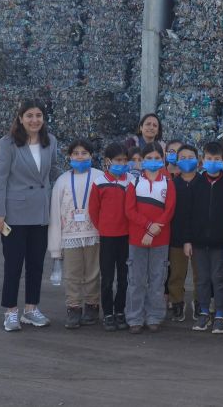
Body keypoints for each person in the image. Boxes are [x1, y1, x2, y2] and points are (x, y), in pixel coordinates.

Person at [0, 99, 59, 332]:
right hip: (15, 214)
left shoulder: (50, 143)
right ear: (20, 118)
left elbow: (54, 175)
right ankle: (10, 311)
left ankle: (31, 309)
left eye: (38, 115)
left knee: (36, 265)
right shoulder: (8, 144)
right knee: (13, 265)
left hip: (41, 212)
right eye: (29, 115)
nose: (34, 120)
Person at [48, 139, 102, 329]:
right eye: (76, 153)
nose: (80, 157)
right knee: (72, 274)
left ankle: (92, 305)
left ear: (91, 156)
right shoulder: (62, 180)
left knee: (93, 272)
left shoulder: (99, 177)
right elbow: (55, 214)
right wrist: (55, 247)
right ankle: (73, 307)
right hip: (69, 236)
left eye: (84, 153)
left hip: (94, 234)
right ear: (70, 157)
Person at [124, 143, 176, 334]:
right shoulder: (135, 183)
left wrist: (153, 231)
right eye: (149, 158)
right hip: (137, 240)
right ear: (142, 160)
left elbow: (169, 210)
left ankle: (154, 316)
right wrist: (147, 227)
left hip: (160, 240)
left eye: (157, 158)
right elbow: (129, 210)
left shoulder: (168, 183)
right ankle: (134, 317)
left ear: (162, 160)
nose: (153, 162)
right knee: (136, 281)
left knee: (157, 280)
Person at [183, 141, 223, 335]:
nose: (212, 162)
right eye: (209, 159)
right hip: (198, 243)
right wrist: (187, 240)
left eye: (217, 159)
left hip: (221, 243)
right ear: (202, 161)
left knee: (219, 278)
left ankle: (220, 314)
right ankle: (204, 312)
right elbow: (188, 214)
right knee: (202, 279)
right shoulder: (195, 183)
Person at [89, 142, 133, 332]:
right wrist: (103, 228)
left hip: (126, 237)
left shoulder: (130, 180)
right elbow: (93, 210)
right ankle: (107, 312)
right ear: (108, 161)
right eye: (118, 160)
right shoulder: (99, 182)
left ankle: (120, 310)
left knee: (124, 277)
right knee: (107, 277)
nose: (121, 163)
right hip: (107, 237)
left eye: (124, 160)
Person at [167, 144, 200, 323]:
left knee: (199, 274)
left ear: (198, 160)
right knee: (177, 274)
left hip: (199, 237)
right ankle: (177, 303)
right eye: (183, 157)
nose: (187, 160)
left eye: (191, 157)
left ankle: (199, 303)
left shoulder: (203, 183)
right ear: (177, 161)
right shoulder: (172, 184)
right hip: (177, 237)